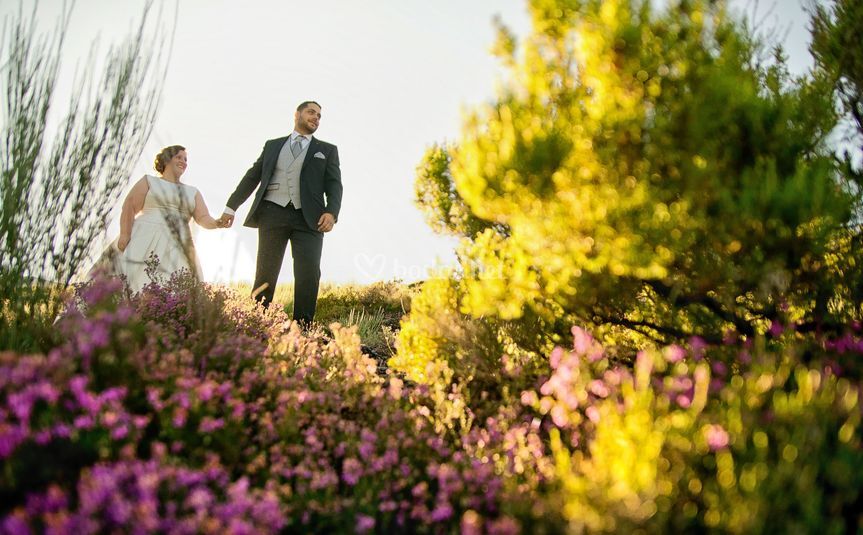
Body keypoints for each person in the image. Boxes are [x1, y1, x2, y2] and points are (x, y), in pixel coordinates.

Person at [217, 101, 343, 324]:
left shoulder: (327, 150)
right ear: (297, 114)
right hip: (272, 212)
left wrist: (331, 213)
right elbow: (252, 177)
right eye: (311, 112)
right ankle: (258, 322)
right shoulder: (273, 145)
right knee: (266, 270)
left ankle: (303, 328)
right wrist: (231, 206)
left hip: (310, 219)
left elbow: (335, 185)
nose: (316, 118)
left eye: (320, 116)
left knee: (309, 273)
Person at [112, 145, 221, 291]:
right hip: (145, 236)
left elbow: (203, 218)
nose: (183, 161)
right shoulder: (149, 181)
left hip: (179, 243)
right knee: (131, 280)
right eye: (178, 157)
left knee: (176, 287)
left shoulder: (192, 192)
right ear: (167, 159)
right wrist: (125, 234)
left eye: (185, 159)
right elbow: (129, 206)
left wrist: (217, 223)